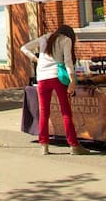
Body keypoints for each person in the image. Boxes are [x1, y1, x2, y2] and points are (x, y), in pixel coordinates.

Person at [20, 25, 91, 156]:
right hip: (57, 77)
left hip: (42, 77)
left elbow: (23, 48)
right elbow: (68, 62)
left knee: (44, 112)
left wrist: (36, 59)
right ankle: (74, 145)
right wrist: (72, 81)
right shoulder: (66, 40)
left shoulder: (44, 38)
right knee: (66, 112)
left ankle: (44, 145)